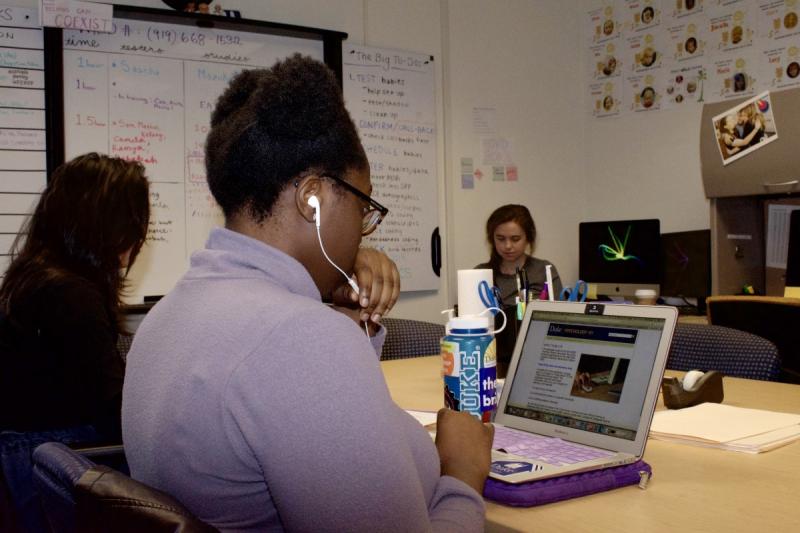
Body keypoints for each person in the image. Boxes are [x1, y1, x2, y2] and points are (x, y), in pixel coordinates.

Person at [122, 55, 493, 532]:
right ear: (312, 198)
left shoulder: (167, 317)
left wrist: (342, 326)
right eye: (362, 206)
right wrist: (462, 474)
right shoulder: (299, 339)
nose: (362, 230)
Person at [0, 152, 149, 438]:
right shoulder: (72, 298)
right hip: (54, 457)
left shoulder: (33, 280)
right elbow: (116, 413)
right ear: (113, 227)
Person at [475, 205, 562, 376]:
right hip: (491, 364)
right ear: (492, 239)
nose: (508, 246)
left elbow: (561, 321)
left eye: (515, 239)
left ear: (528, 238)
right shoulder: (480, 274)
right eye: (500, 238)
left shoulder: (544, 270)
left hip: (539, 361)